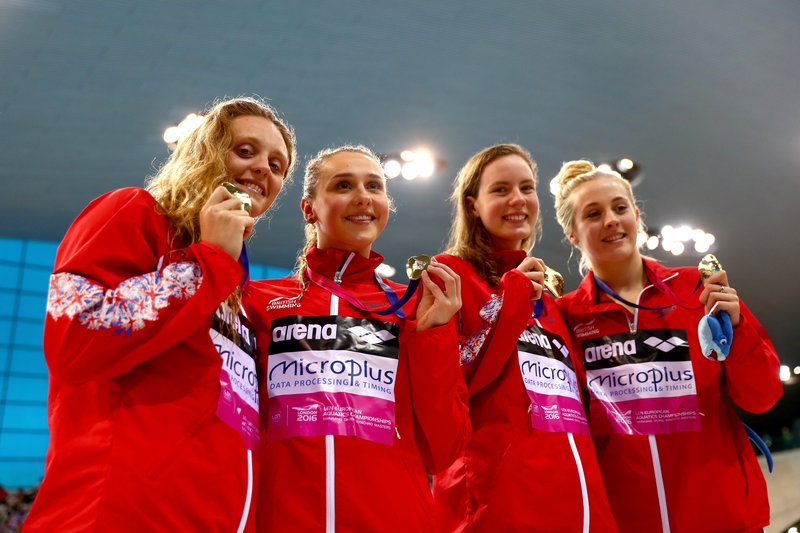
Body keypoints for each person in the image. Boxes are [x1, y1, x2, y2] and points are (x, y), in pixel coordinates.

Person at [23, 97, 296, 532]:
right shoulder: (133, 212)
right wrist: (206, 262)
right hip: (114, 514)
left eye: (278, 165)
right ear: (205, 152)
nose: (265, 168)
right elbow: (75, 336)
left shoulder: (236, 295)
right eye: (245, 151)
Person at [243, 145, 470, 531]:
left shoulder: (414, 305)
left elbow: (442, 449)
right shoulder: (260, 301)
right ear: (309, 209)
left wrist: (432, 335)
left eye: (374, 186)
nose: (363, 197)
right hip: (283, 518)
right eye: (343, 185)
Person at [552, 159, 783, 532]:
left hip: (720, 516)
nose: (611, 220)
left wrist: (737, 330)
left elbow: (762, 396)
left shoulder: (698, 289)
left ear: (637, 216)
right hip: (626, 521)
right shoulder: (565, 318)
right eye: (593, 214)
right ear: (573, 235)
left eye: (619, 207)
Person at [432, 144, 616, 532]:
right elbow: (454, 383)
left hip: (579, 503)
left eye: (527, 188)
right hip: (500, 506)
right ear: (472, 206)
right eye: (500, 190)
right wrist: (511, 298)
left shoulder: (548, 298)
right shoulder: (450, 274)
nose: (518, 199)